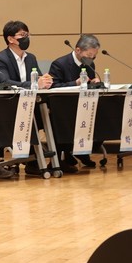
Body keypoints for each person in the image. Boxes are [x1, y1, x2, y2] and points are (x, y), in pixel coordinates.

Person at [0, 20, 55, 178]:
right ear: (11, 39)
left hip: (28, 104)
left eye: (27, 34)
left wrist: (45, 81)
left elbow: (37, 79)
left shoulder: (31, 58)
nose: (26, 38)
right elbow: (4, 82)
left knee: (49, 113)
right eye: (22, 35)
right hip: (6, 105)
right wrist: (34, 84)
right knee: (0, 118)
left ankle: (34, 161)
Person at [48, 33, 102, 170]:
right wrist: (75, 83)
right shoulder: (59, 64)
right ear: (78, 50)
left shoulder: (90, 64)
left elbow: (87, 85)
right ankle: (67, 153)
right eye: (89, 55)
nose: (91, 59)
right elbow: (53, 87)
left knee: (104, 115)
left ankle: (82, 151)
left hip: (83, 105)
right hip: (63, 106)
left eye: (94, 56)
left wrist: (94, 83)